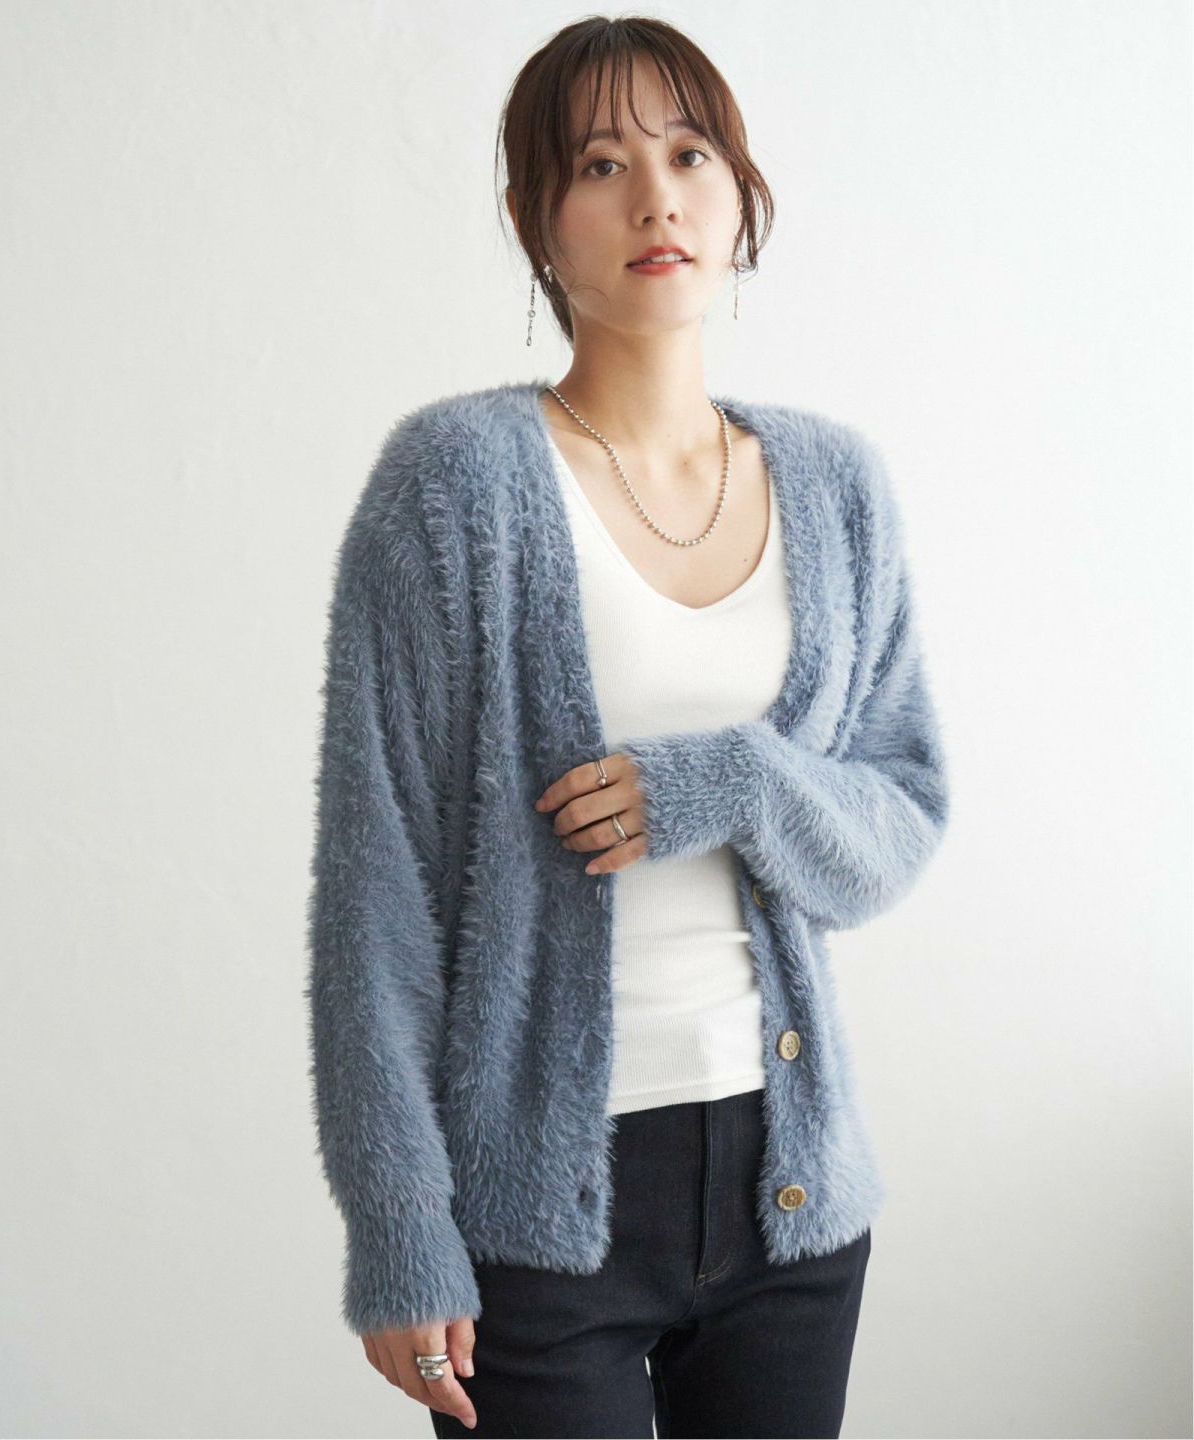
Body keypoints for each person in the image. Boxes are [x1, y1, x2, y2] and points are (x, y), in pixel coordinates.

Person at [305, 15, 950, 1439]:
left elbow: (899, 822)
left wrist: (742, 783)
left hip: (793, 1198)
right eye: (600, 164)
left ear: (740, 193)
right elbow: (374, 894)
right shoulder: (452, 483)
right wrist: (398, 1226)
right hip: (533, 1220)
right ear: (537, 220)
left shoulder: (837, 485)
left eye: (690, 152)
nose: (657, 196)